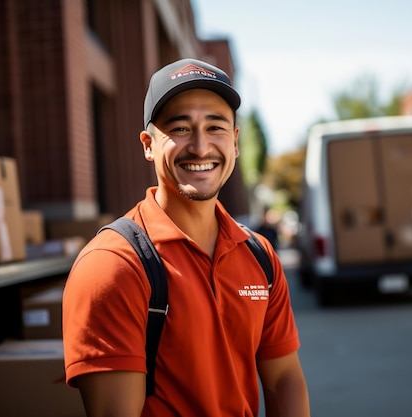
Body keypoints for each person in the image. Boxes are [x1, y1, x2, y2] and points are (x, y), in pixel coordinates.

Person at [62, 58, 310, 417]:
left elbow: (283, 378)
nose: (200, 146)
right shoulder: (112, 266)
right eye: (180, 129)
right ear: (148, 145)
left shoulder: (259, 254)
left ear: (236, 143)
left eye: (216, 127)